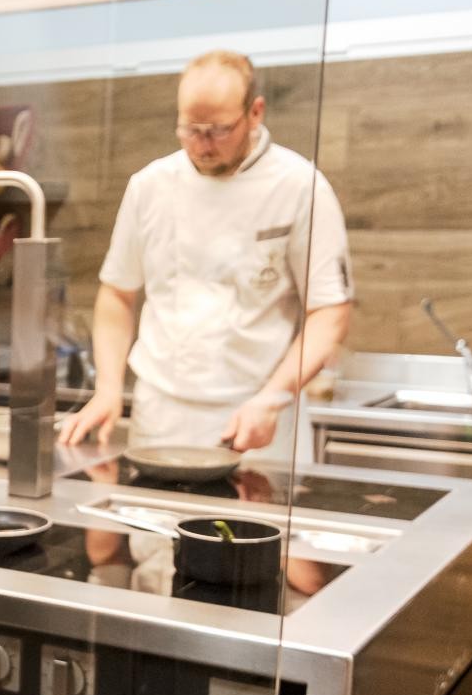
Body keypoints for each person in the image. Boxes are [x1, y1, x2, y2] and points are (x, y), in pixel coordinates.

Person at [57, 50, 352, 455]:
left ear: (255, 112)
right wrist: (108, 389)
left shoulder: (301, 187)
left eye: (217, 130)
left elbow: (330, 312)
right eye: (189, 130)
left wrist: (273, 398)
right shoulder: (150, 186)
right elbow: (117, 294)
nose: (202, 145)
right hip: (160, 413)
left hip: (258, 416)